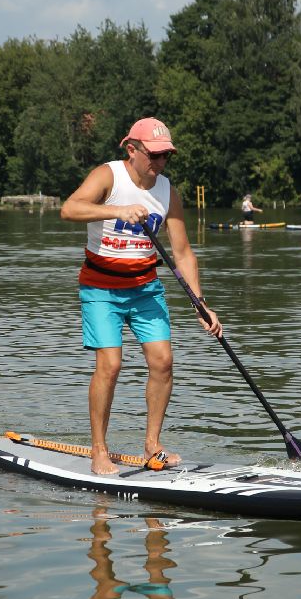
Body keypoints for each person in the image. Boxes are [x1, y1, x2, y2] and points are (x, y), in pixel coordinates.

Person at [61, 117, 222, 476]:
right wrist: (117, 210)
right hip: (101, 288)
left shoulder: (167, 192)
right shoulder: (108, 176)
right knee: (111, 364)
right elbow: (69, 209)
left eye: (167, 157)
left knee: (163, 362)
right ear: (131, 149)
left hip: (145, 288)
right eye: (155, 156)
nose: (161, 164)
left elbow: (182, 253)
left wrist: (201, 304)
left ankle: (153, 445)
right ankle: (99, 451)